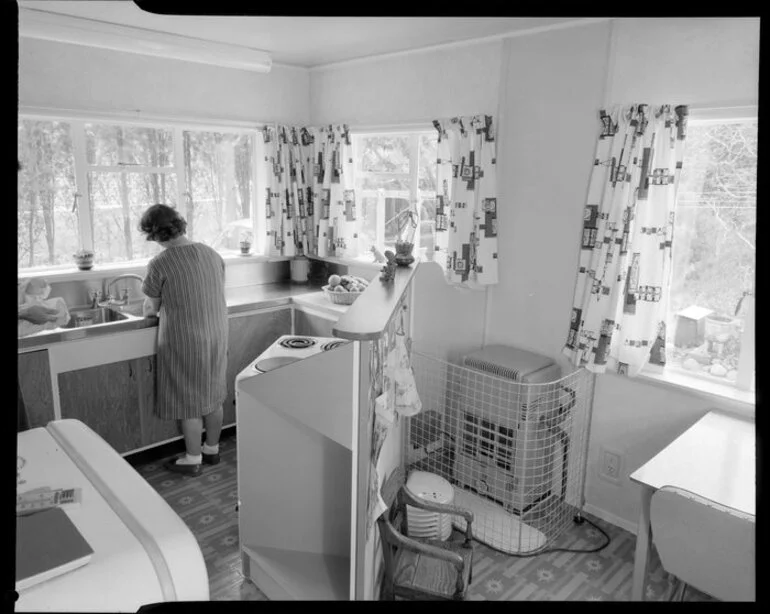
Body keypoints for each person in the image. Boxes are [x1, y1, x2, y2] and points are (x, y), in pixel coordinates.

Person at [139, 204, 228, 476]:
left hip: (185, 340)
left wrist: (153, 309)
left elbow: (150, 308)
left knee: (188, 400)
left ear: (155, 235)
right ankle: (212, 450)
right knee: (213, 395)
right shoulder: (211, 253)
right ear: (181, 226)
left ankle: (193, 458)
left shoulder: (160, 263)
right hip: (216, 334)